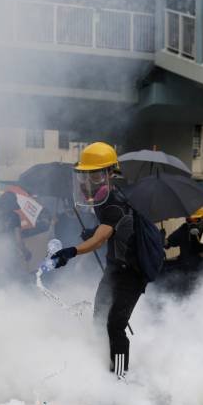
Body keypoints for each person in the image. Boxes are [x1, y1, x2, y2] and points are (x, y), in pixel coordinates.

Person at [50, 142, 147, 377]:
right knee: (99, 318)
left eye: (93, 175)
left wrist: (72, 251)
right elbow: (107, 231)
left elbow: (100, 239)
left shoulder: (114, 202)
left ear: (108, 174)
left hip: (132, 273)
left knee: (115, 325)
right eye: (85, 175)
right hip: (115, 268)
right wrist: (92, 231)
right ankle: (104, 366)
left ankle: (121, 376)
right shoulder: (105, 200)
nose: (87, 181)